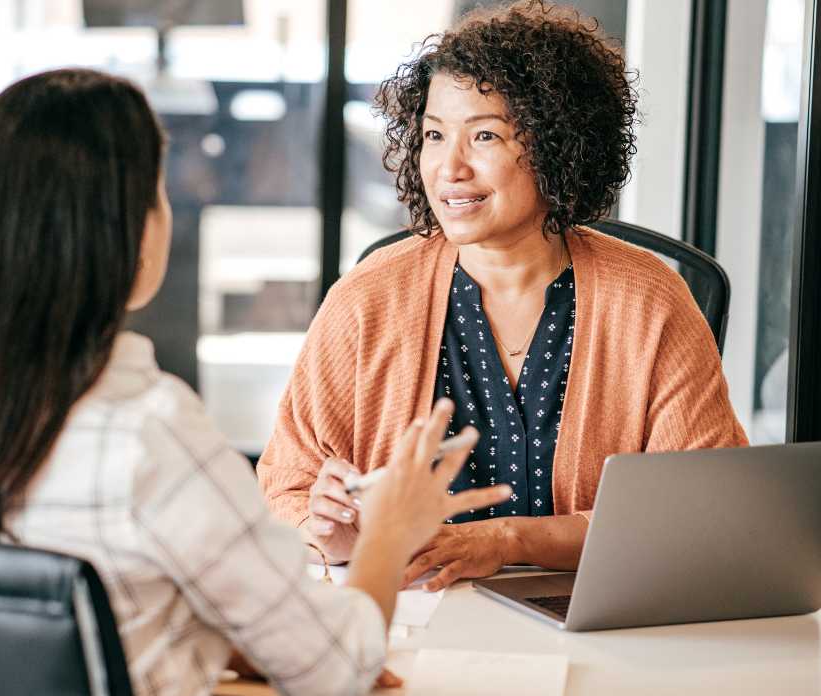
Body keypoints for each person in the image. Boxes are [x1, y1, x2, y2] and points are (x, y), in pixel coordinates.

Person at [0, 69, 512, 696]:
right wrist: (387, 536)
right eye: (159, 191)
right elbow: (336, 670)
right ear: (126, 234)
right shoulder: (148, 432)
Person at [257, 0, 747, 592]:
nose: (449, 167)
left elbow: (697, 508)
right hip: (407, 611)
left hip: (589, 616)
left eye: (484, 134)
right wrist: (329, 530)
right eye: (434, 135)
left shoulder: (649, 299)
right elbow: (288, 485)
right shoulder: (368, 297)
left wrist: (513, 540)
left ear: (556, 142)